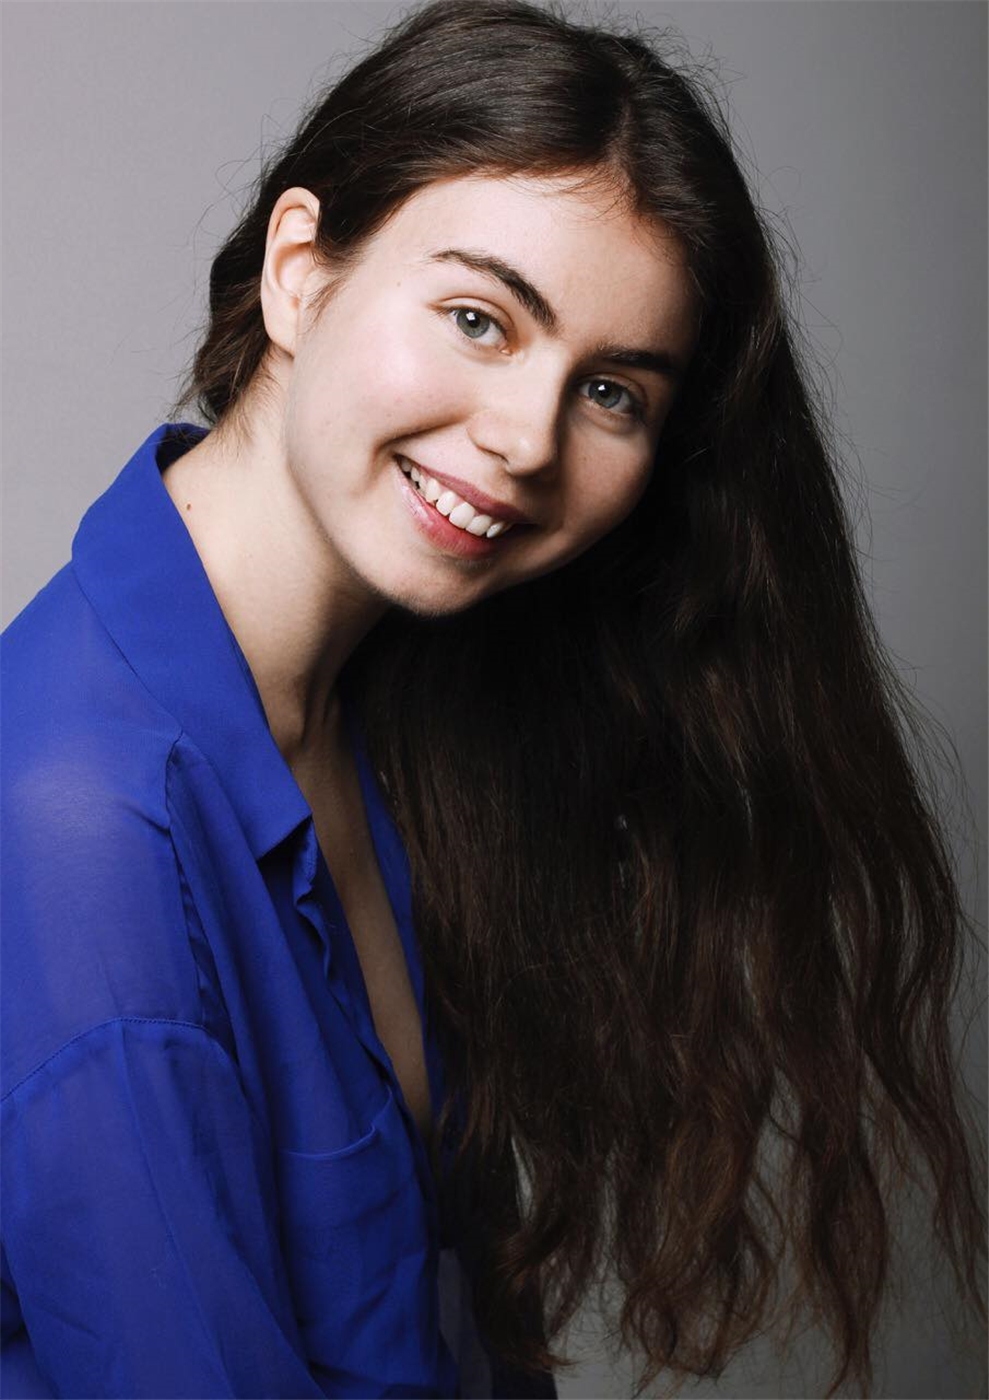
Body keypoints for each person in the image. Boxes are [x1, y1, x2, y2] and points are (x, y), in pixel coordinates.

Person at [1, 1, 985, 1396]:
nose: (527, 439)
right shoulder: (82, 831)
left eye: (612, 393)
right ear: (299, 274)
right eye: (478, 319)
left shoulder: (384, 703)